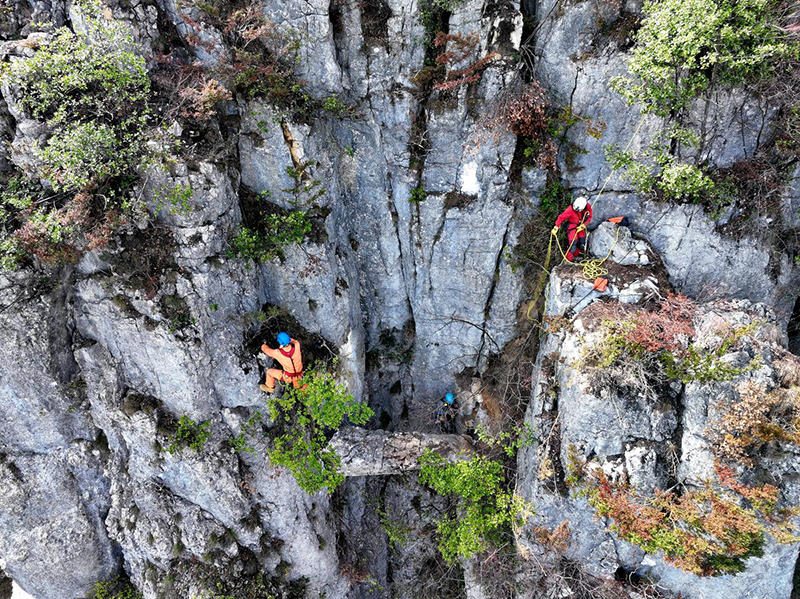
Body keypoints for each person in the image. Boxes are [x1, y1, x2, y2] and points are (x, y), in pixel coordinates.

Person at [552, 195, 593, 262]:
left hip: (580, 225)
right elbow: (561, 217)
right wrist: (556, 226)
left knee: (582, 242)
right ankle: (569, 260)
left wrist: (583, 225)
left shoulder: (587, 206)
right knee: (573, 244)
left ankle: (577, 256)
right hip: (572, 226)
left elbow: (590, 216)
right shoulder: (570, 209)